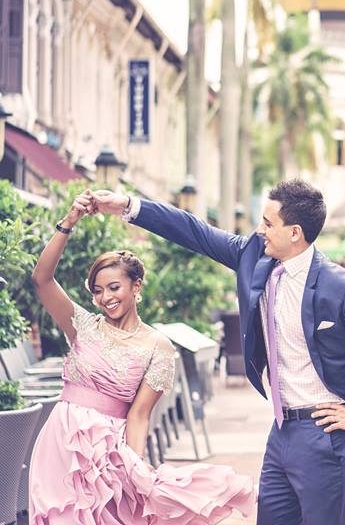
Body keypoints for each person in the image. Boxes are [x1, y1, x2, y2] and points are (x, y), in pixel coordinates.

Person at [92, 180, 345, 525]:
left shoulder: (339, 287)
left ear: (295, 233)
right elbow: (194, 231)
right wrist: (127, 206)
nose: (261, 230)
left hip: (325, 436)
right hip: (282, 431)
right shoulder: (254, 255)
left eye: (269, 223)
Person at [28, 190, 253, 524]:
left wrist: (135, 467)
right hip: (61, 444)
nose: (105, 298)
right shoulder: (82, 326)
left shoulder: (158, 346)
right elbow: (41, 279)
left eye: (114, 287)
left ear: (136, 286)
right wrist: (68, 223)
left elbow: (139, 415)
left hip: (110, 451)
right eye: (98, 291)